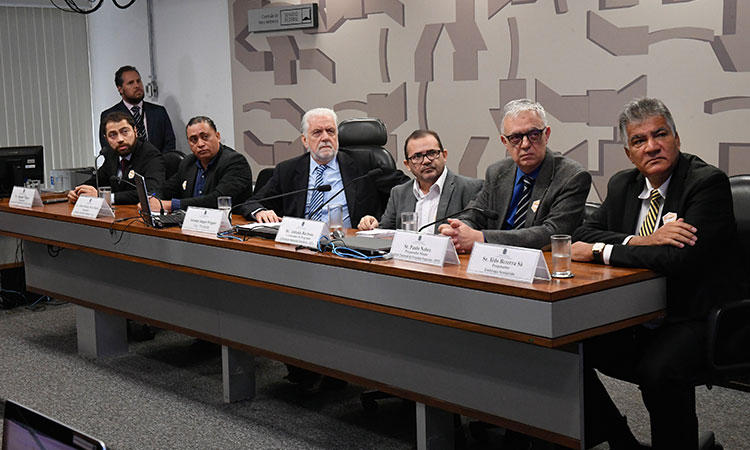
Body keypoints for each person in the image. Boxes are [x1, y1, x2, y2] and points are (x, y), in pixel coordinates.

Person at [571, 98, 745, 449]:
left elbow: (678, 261)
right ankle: (621, 441)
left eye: (659, 134)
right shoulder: (623, 185)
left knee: (658, 372)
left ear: (676, 139)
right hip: (635, 313)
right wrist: (641, 240)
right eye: (639, 140)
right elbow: (583, 234)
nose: (651, 146)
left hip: (693, 316)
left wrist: (605, 250)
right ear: (629, 152)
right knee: (567, 348)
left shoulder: (705, 183)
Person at [439, 98, 591, 251]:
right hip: (494, 264)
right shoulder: (497, 172)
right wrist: (456, 231)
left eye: (533, 134)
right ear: (505, 142)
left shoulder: (572, 176)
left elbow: (553, 233)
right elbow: (474, 215)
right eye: (515, 138)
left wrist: (483, 238)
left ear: (546, 135)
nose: (525, 144)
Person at [238, 107, 382, 227]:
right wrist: (260, 211)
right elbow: (252, 203)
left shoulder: (365, 165)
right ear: (305, 140)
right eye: (317, 132)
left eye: (330, 131)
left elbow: (400, 193)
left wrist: (377, 220)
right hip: (301, 244)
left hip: (347, 245)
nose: (325, 137)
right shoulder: (287, 170)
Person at [358, 129, 483, 233]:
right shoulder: (399, 193)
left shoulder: (470, 189)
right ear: (407, 164)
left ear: (444, 155)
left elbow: (475, 231)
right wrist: (372, 225)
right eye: (417, 157)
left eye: (432, 153)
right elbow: (385, 231)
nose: (426, 161)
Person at [146, 116, 253, 212]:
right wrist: (152, 199)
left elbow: (216, 200)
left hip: (228, 226)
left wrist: (170, 205)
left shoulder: (235, 162)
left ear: (217, 136)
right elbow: (165, 189)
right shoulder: (188, 162)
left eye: (205, 137)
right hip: (192, 224)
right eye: (194, 139)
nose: (200, 144)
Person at [68, 111, 165, 205]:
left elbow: (151, 193)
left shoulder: (150, 155)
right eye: (113, 135)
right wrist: (78, 191)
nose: (120, 139)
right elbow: (98, 180)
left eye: (125, 132)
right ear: (106, 139)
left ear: (135, 131)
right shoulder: (112, 154)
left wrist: (104, 197)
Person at [99, 65, 177, 153]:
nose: (137, 85)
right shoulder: (109, 115)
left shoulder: (159, 112)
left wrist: (159, 164)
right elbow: (108, 149)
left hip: (158, 164)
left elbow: (169, 143)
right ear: (120, 89)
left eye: (138, 81)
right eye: (131, 83)